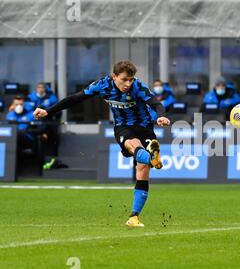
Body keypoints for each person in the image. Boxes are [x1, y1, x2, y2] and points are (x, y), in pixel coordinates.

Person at [33, 61, 171, 228]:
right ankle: (150, 157)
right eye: (124, 79)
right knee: (133, 146)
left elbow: (155, 103)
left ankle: (134, 216)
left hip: (144, 126)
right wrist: (48, 110)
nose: (128, 84)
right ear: (114, 77)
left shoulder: (138, 87)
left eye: (131, 79)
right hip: (123, 126)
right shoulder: (102, 85)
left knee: (142, 171)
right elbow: (75, 98)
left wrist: (161, 116)